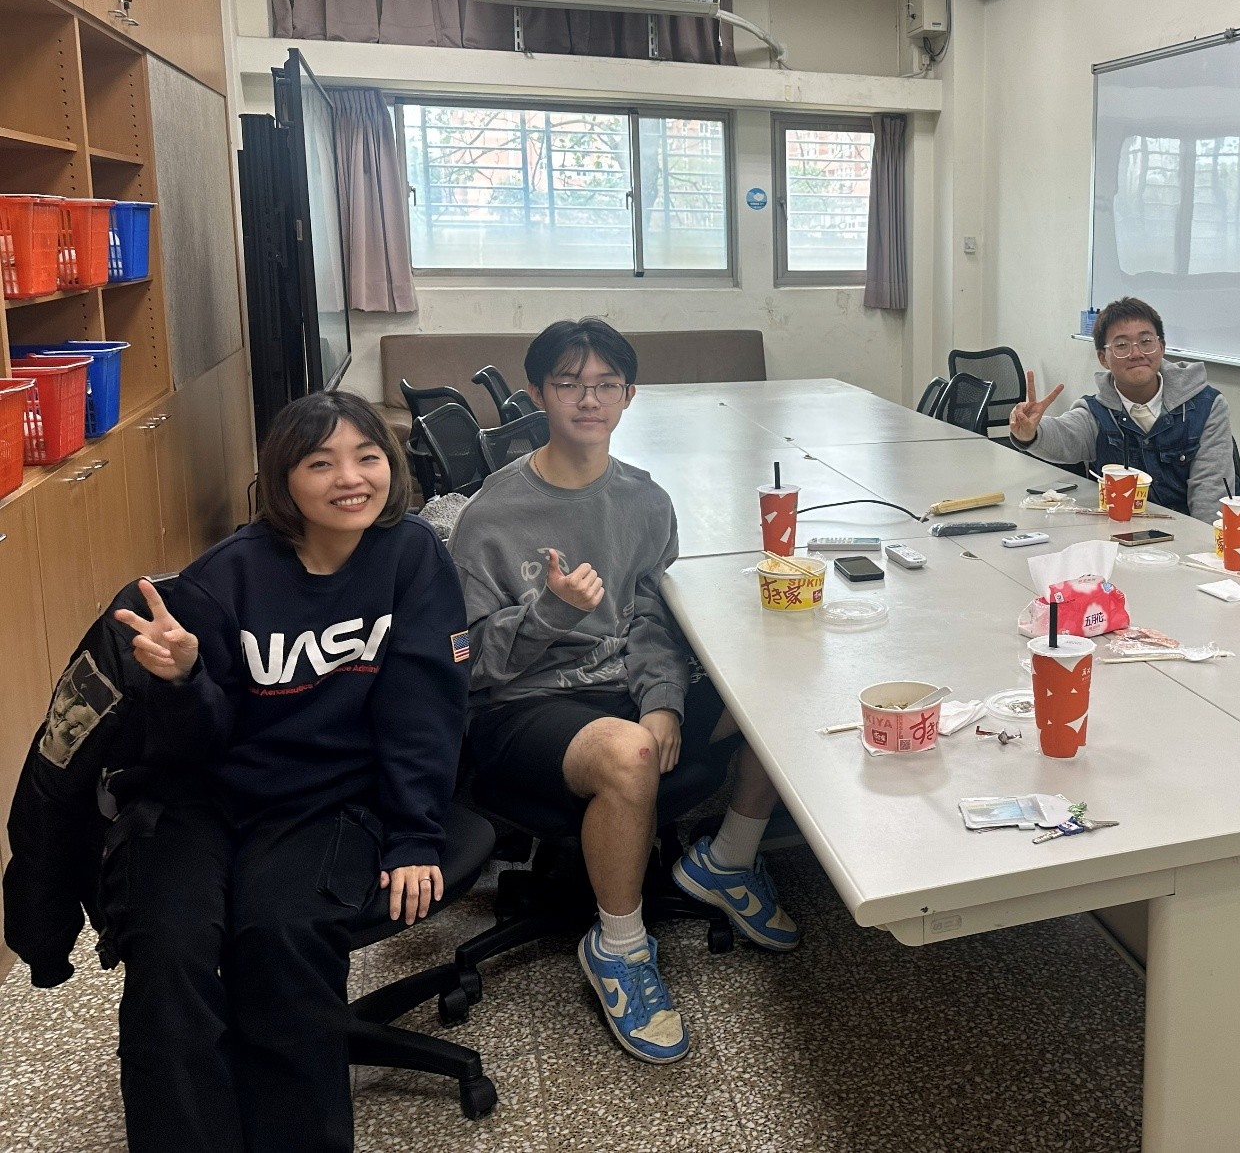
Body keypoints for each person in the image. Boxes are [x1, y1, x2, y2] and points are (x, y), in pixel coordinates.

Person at [105, 391, 469, 1153]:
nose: (351, 478)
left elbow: (422, 710)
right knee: (169, 950)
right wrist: (183, 679)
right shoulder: (223, 578)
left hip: (325, 800)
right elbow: (188, 744)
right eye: (320, 463)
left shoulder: (410, 556)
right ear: (283, 479)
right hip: (200, 798)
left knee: (282, 932)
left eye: (367, 456)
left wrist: (414, 834)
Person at [451, 318, 796, 1068]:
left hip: (625, 688)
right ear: (537, 392)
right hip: (523, 706)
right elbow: (467, 663)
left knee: (776, 686)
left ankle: (729, 859)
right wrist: (550, 613)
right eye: (569, 383)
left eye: (606, 385)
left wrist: (663, 698)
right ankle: (619, 947)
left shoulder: (644, 500)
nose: (589, 399)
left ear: (629, 396)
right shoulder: (490, 516)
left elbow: (650, 619)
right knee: (631, 752)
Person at [1006, 296, 1234, 522]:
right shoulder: (1097, 412)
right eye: (1122, 345)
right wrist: (1030, 433)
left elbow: (1210, 497)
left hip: (1186, 533)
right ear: (1103, 358)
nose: (1136, 354)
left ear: (1161, 347)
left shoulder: (1206, 406)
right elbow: (1065, 434)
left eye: (1146, 341)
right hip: (1117, 532)